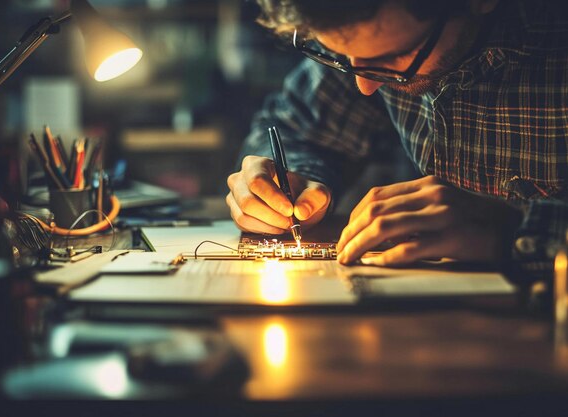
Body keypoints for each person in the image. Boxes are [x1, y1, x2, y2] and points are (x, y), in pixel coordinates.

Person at [226, 0, 568, 280]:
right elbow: (297, 130)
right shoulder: (365, 38)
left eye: (392, 60)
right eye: (343, 58)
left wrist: (517, 230)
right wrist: (293, 180)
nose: (364, 86)